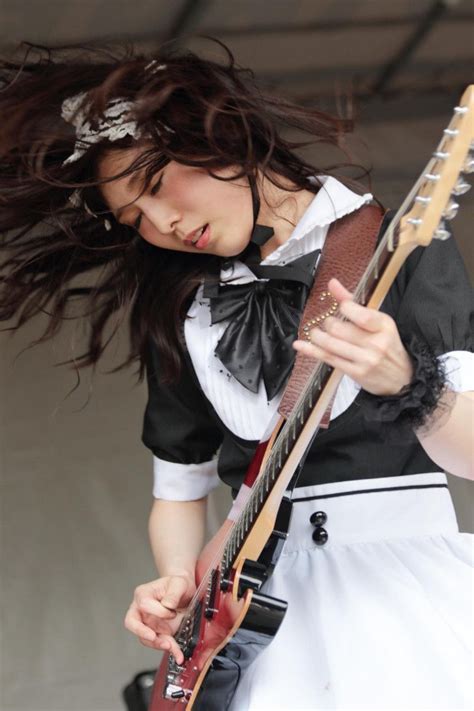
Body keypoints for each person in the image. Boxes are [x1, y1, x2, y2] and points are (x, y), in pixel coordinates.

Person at [0, 42, 472, 711]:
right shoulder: (185, 309)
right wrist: (174, 586)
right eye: (135, 219)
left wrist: (407, 382)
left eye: (158, 185)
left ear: (221, 138)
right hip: (256, 627)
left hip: (398, 588)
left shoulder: (400, 248)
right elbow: (179, 489)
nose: (162, 224)